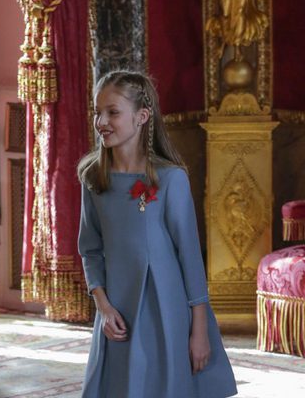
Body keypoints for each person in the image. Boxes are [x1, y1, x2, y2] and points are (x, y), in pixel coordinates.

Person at [77, 70, 238, 398]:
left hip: (165, 308)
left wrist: (200, 332)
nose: (101, 121)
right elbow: (90, 249)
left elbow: (189, 257)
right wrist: (104, 307)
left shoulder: (170, 180)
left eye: (113, 112)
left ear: (142, 117)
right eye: (97, 112)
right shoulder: (94, 178)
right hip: (117, 310)